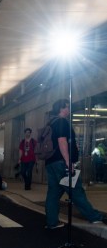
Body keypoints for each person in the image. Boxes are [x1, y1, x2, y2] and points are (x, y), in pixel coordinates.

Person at [45, 98, 106, 229]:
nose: (69, 109)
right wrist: (68, 162)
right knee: (76, 191)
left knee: (53, 194)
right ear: (61, 108)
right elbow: (62, 141)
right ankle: (94, 217)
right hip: (62, 163)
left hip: (51, 163)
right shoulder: (62, 122)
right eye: (67, 107)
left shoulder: (51, 123)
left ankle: (51, 222)